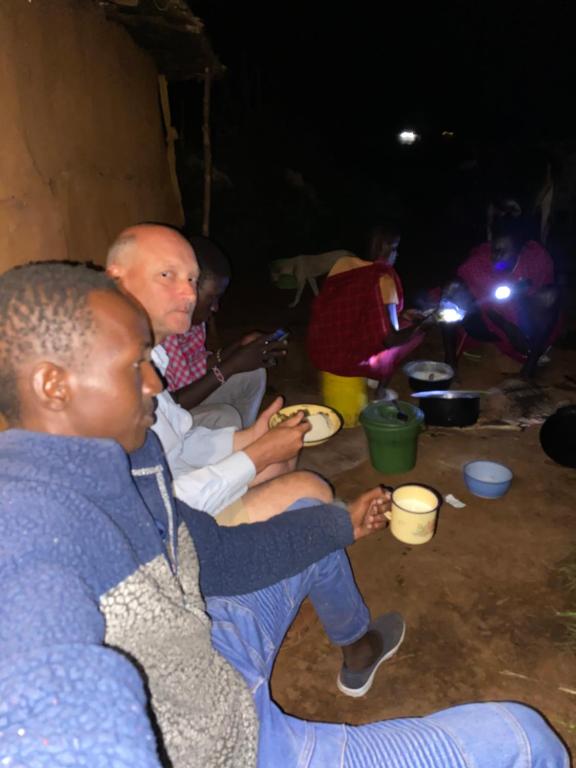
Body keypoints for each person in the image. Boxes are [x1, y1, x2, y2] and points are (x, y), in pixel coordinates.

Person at [0, 261, 568, 768]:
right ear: (54, 385)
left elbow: (215, 558)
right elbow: (47, 707)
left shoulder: (132, 455)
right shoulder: (29, 525)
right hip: (227, 748)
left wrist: (341, 523)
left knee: (308, 508)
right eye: (133, 366)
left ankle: (358, 645)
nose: (155, 382)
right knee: (523, 737)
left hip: (211, 651)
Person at [107, 223, 332, 524]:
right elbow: (159, 502)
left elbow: (180, 438)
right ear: (118, 279)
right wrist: (254, 456)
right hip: (166, 521)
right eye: (166, 275)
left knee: (280, 458)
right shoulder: (109, 372)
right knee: (310, 490)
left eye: (191, 279)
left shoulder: (153, 355)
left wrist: (252, 438)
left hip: (180, 475)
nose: (186, 291)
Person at [162, 235, 284, 430]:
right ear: (186, 290)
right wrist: (231, 366)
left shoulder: (192, 320)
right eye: (212, 298)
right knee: (225, 418)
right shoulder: (154, 332)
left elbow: (197, 366)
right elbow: (169, 407)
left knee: (252, 372)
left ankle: (242, 441)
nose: (215, 307)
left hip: (182, 403)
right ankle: (236, 447)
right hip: (165, 426)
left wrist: (240, 347)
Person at [441, 216, 562, 379]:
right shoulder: (479, 263)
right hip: (492, 320)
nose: (495, 257)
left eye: (503, 252)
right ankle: (450, 364)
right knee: (452, 294)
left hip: (526, 325)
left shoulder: (537, 260)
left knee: (550, 297)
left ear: (520, 251)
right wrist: (504, 325)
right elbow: (471, 295)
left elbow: (546, 303)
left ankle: (531, 364)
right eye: (494, 250)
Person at [307, 222, 426, 384]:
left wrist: (401, 314)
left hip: (322, 352)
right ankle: (379, 383)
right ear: (384, 249)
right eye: (394, 249)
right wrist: (423, 324)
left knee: (402, 321)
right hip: (348, 362)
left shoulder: (343, 266)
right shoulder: (382, 277)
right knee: (415, 333)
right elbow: (390, 339)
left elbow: (359, 311)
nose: (396, 254)